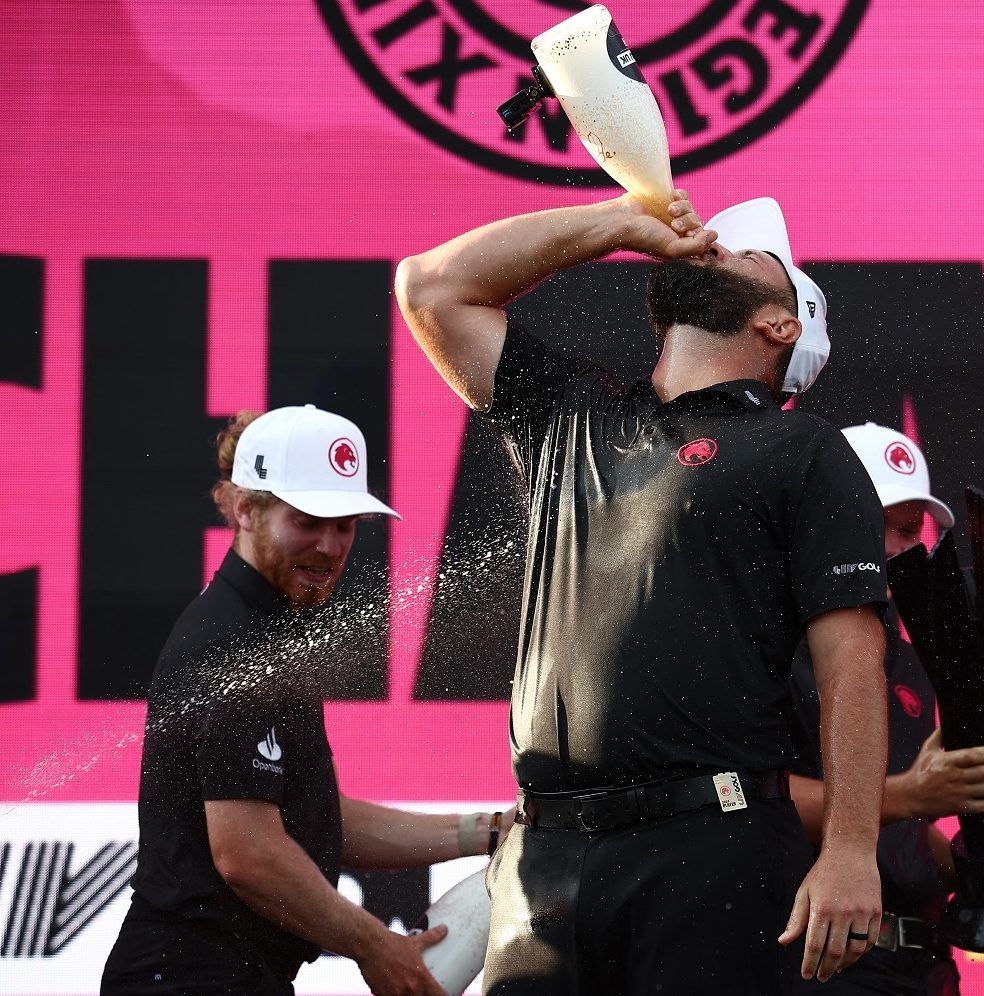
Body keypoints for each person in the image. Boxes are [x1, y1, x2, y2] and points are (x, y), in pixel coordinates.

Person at [395, 192, 889, 994]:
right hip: (544, 862)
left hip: (711, 850)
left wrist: (850, 849)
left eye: (750, 257)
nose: (717, 246)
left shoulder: (800, 447)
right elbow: (430, 288)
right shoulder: (571, 414)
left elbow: (852, 661)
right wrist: (619, 222)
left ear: (782, 325)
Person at [102, 405, 511, 996]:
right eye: (308, 521)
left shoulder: (265, 629)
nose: (328, 546)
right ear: (245, 509)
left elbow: (319, 825)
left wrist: (492, 833)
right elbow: (249, 855)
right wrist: (377, 947)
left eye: (344, 525)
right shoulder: (235, 646)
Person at [787, 424, 984, 996]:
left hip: (925, 965)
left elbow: (904, 827)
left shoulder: (910, 662)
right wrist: (910, 794)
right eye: (880, 525)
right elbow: (746, 796)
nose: (898, 549)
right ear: (825, 519)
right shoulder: (771, 649)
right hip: (821, 963)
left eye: (912, 531)